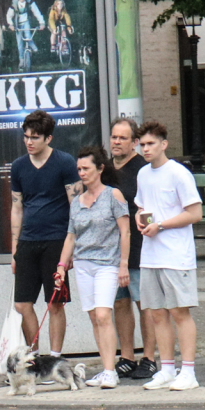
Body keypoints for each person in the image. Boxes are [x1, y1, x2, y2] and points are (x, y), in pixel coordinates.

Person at [134, 122, 203, 390]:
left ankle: (188, 371)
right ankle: (166, 368)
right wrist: (143, 219)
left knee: (179, 312)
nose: (145, 148)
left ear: (164, 144)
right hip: (151, 254)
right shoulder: (142, 174)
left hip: (175, 254)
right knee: (157, 314)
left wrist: (161, 225)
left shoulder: (178, 173)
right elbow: (142, 204)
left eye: (150, 143)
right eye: (142, 144)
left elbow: (195, 213)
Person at [55, 146, 131, 388]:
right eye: (79, 169)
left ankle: (110, 370)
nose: (82, 173)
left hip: (107, 263)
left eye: (86, 168)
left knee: (103, 313)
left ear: (100, 168)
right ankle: (106, 365)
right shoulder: (77, 201)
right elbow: (71, 236)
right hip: (83, 264)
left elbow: (125, 231)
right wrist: (61, 265)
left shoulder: (113, 195)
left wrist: (123, 264)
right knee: (93, 317)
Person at [11, 110, 81, 356]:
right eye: (26, 136)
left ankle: (54, 358)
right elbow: (17, 206)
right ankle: (33, 356)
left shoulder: (64, 162)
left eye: (35, 137)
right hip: (28, 241)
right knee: (22, 303)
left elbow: (76, 206)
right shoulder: (19, 166)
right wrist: (14, 248)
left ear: (48, 138)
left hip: (55, 241)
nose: (29, 142)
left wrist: (70, 250)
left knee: (55, 303)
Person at [108, 117, 160, 380]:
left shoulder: (142, 169)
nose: (117, 142)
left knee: (145, 304)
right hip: (113, 250)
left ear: (134, 143)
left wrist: (150, 236)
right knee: (120, 303)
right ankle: (126, 356)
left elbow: (148, 206)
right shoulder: (105, 169)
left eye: (123, 138)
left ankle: (149, 357)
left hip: (140, 247)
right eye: (114, 137)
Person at [6, 0, 44, 71]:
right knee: (20, 43)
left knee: (28, 35)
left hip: (26, 22)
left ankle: (33, 47)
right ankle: (21, 60)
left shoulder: (29, 1)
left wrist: (41, 22)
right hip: (18, 24)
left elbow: (37, 12)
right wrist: (11, 24)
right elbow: (9, 15)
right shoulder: (14, 3)